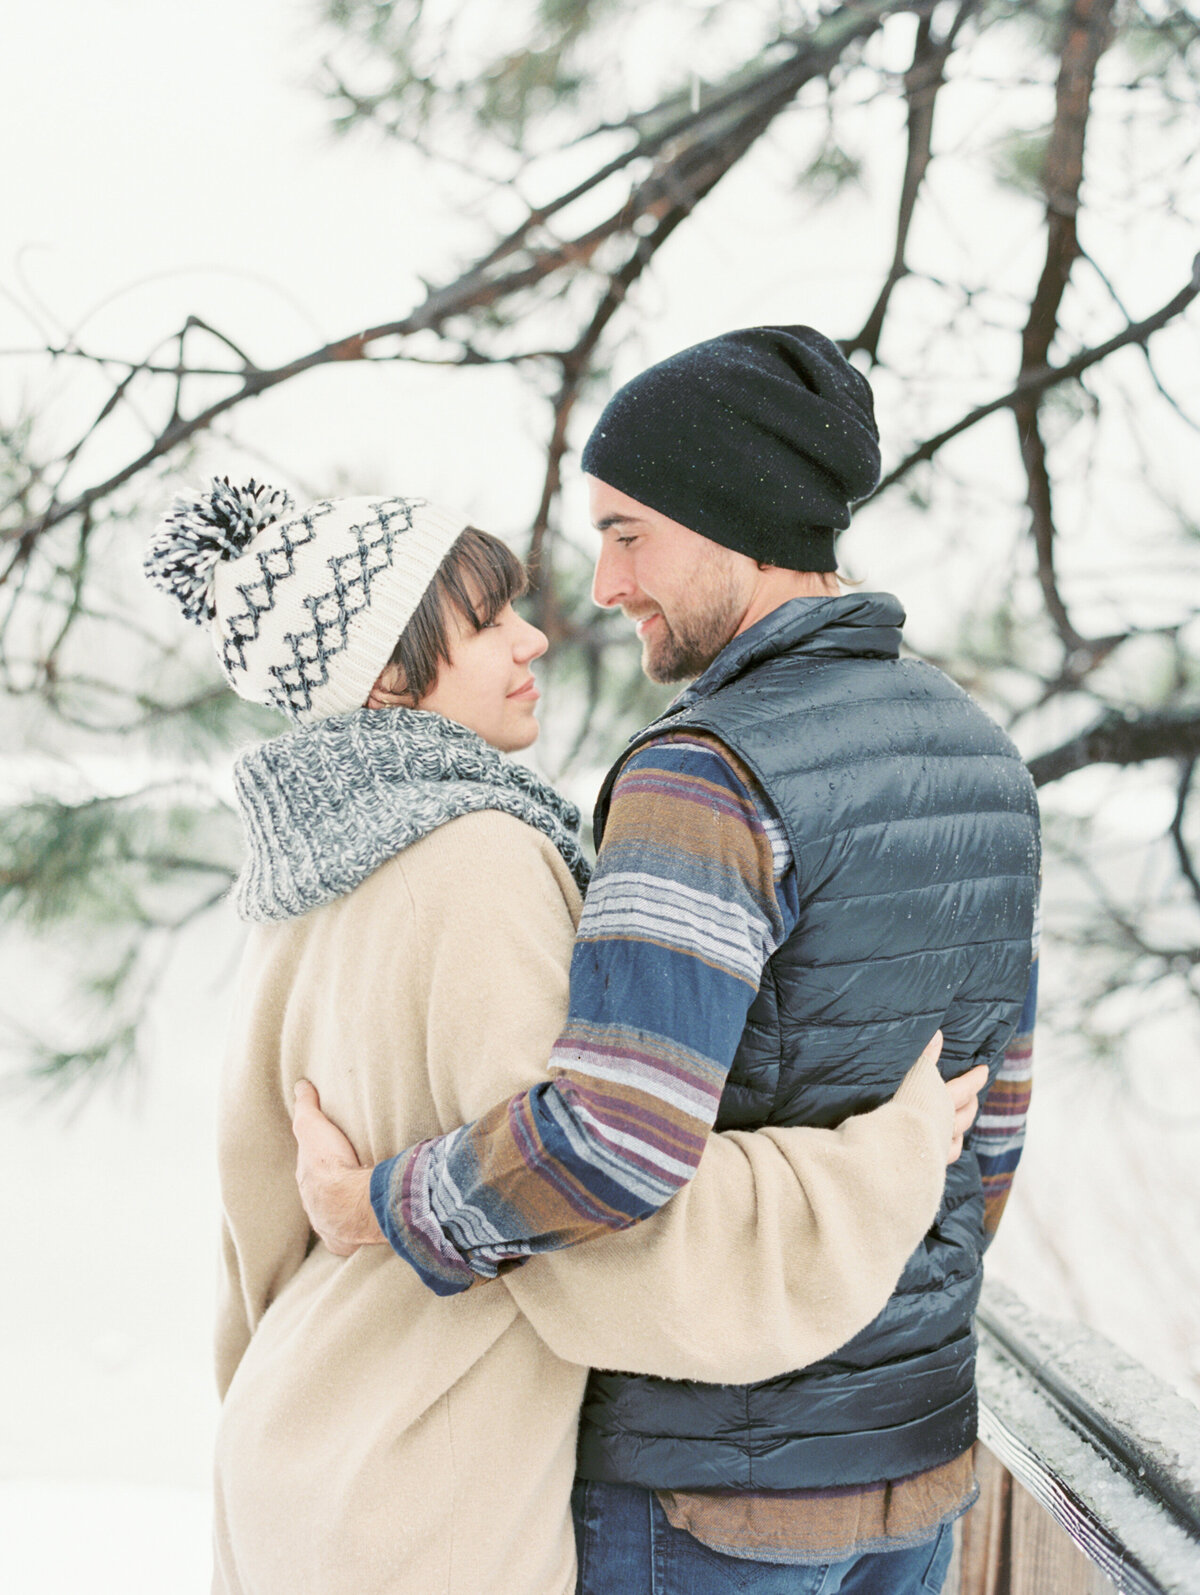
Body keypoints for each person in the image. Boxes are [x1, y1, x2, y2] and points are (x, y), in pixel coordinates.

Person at [295, 325, 1041, 1594]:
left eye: (629, 530)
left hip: (711, 1487)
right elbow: (997, 1121)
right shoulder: (980, 750)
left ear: (730, 516)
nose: (602, 581)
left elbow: (617, 1137)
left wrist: (376, 1206)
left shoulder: (708, 769)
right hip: (918, 1469)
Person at [143, 478, 986, 1595]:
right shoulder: (476, 860)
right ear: (389, 672)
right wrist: (885, 1156)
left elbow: (253, 1235)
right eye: (490, 619)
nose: (534, 633)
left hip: (301, 1448)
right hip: (426, 1497)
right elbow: (592, 1222)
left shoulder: (297, 878)